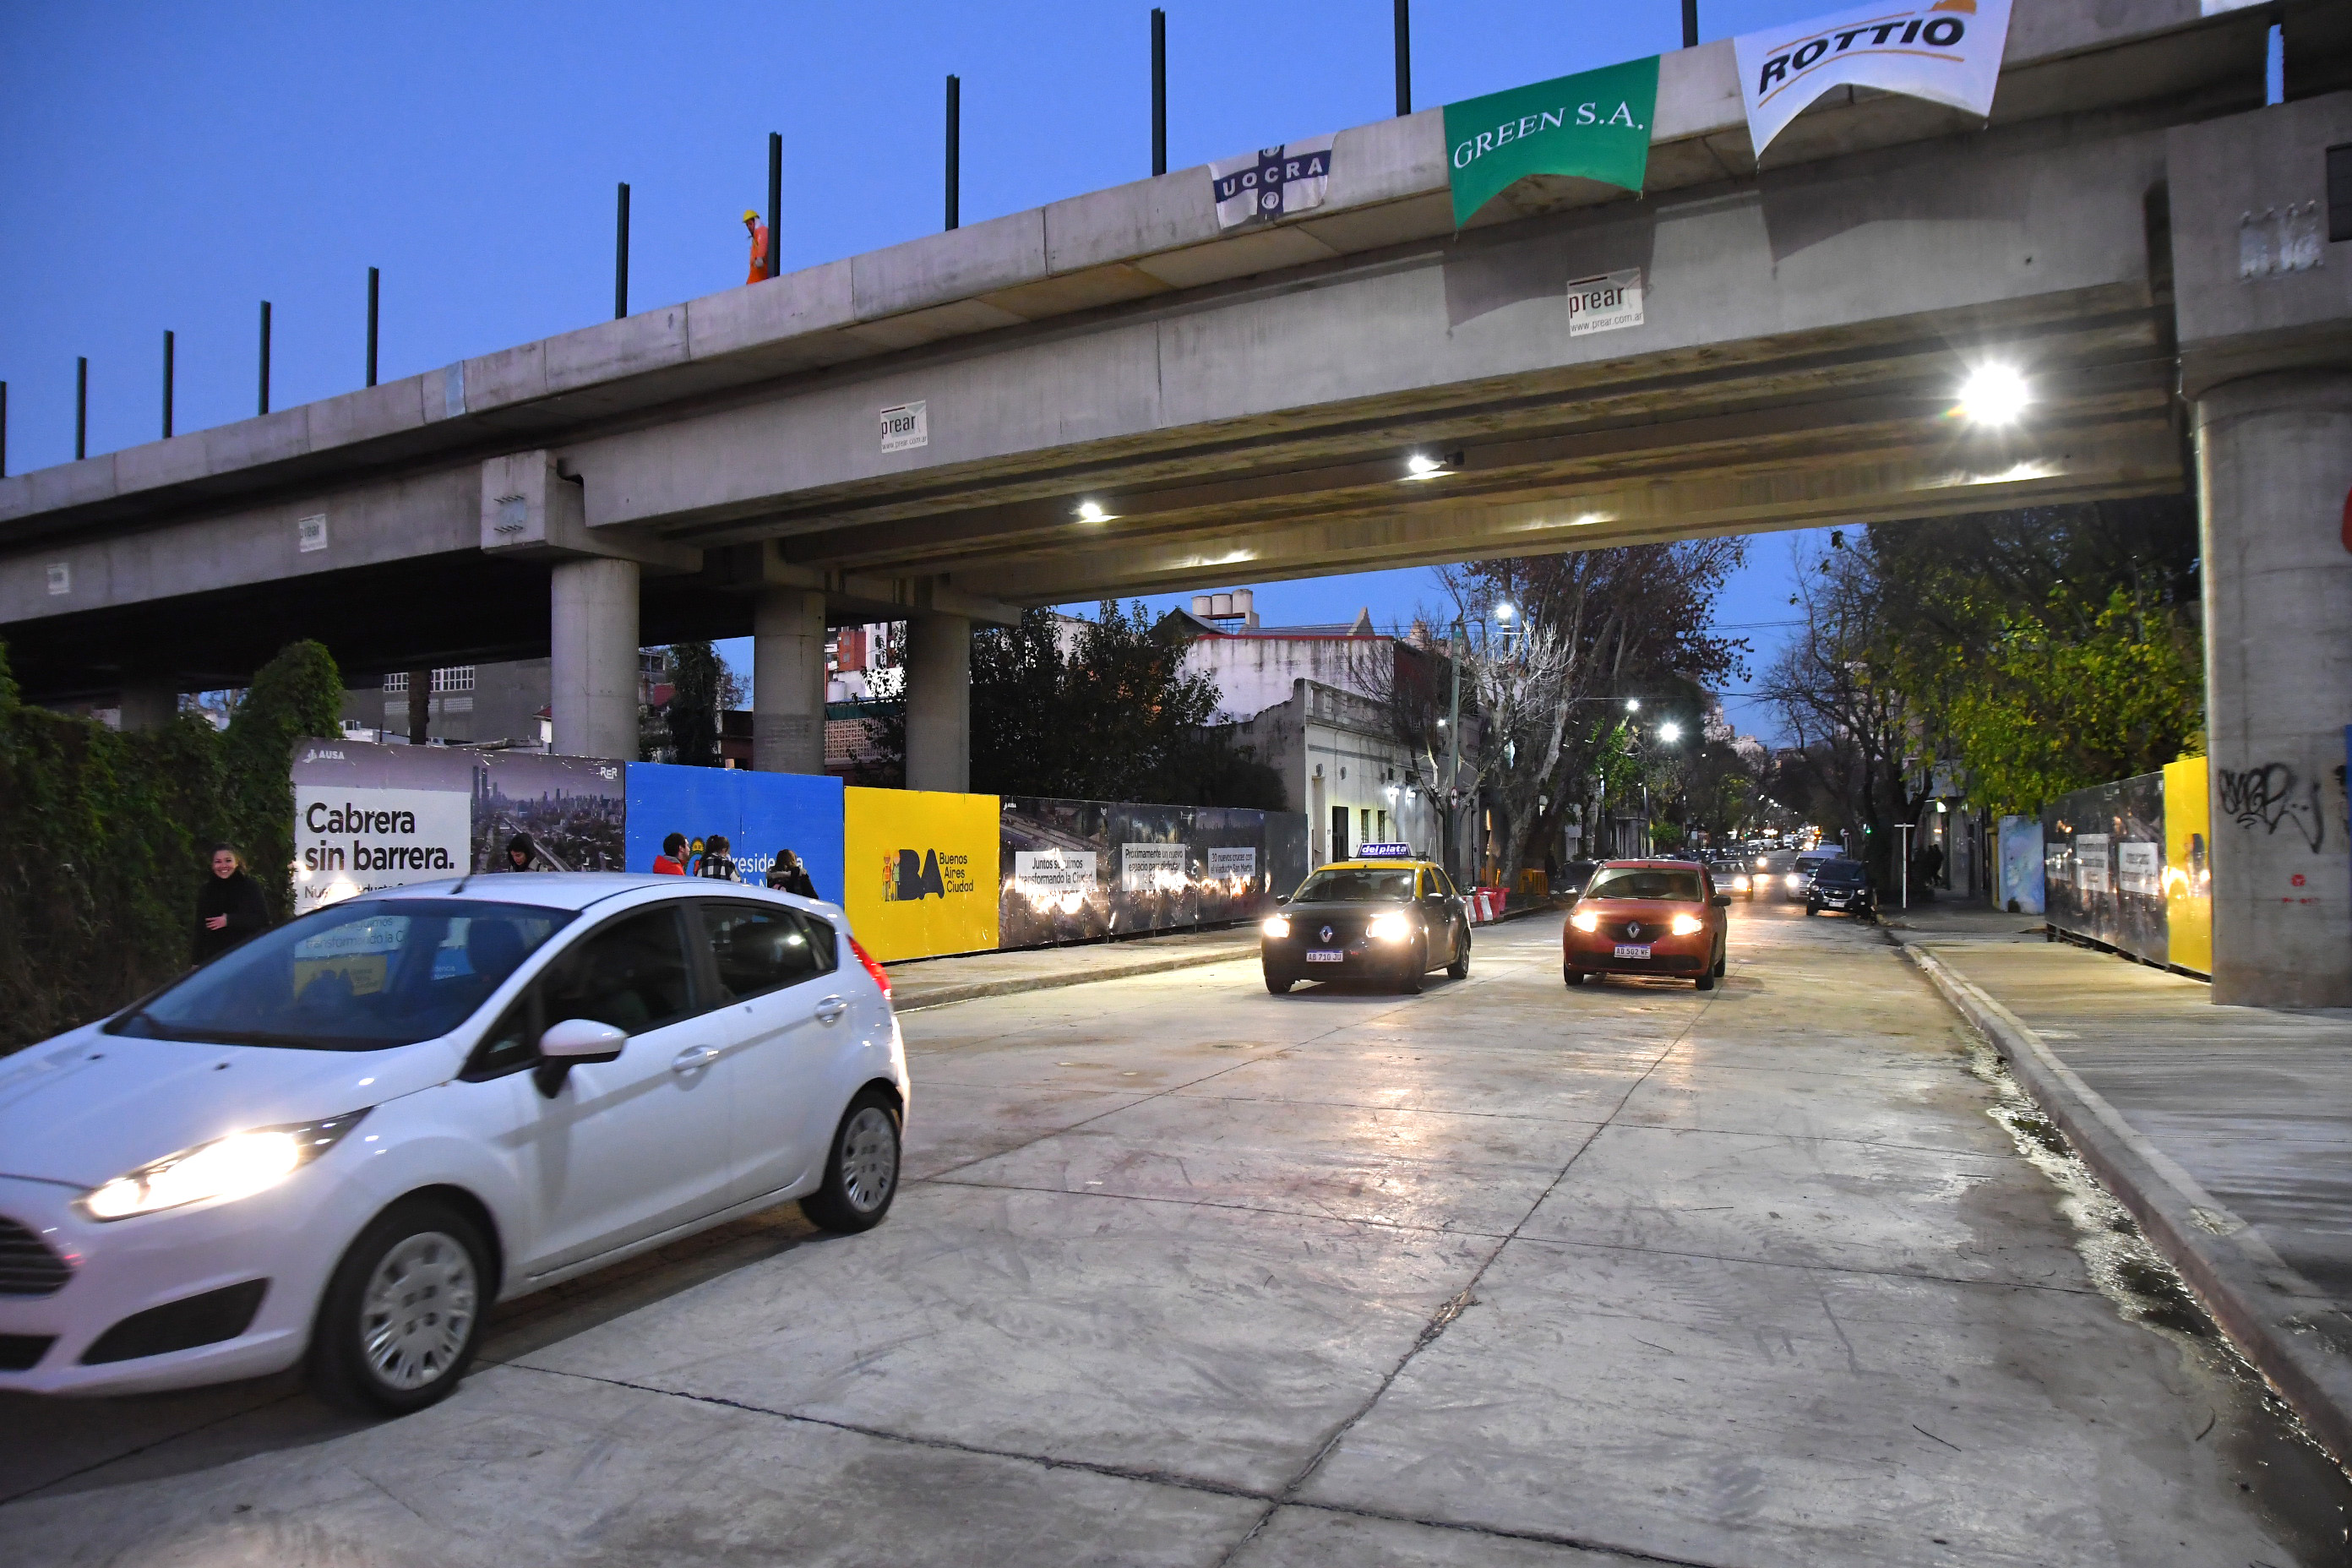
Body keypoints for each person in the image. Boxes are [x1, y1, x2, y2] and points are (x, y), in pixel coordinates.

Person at [193, 844, 270, 966]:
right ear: (212, 865)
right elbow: (200, 929)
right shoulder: (206, 890)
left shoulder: (250, 887)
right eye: (218, 862)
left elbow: (262, 920)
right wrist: (196, 962)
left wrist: (229, 920)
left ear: (237, 862)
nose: (223, 865)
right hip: (215, 960)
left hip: (246, 956)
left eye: (228, 861)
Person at [743, 210, 770, 286]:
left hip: (761, 276)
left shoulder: (762, 231)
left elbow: (763, 242)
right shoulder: (755, 239)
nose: (749, 227)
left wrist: (760, 257)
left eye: (750, 224)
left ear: (756, 222)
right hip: (755, 278)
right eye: (747, 225)